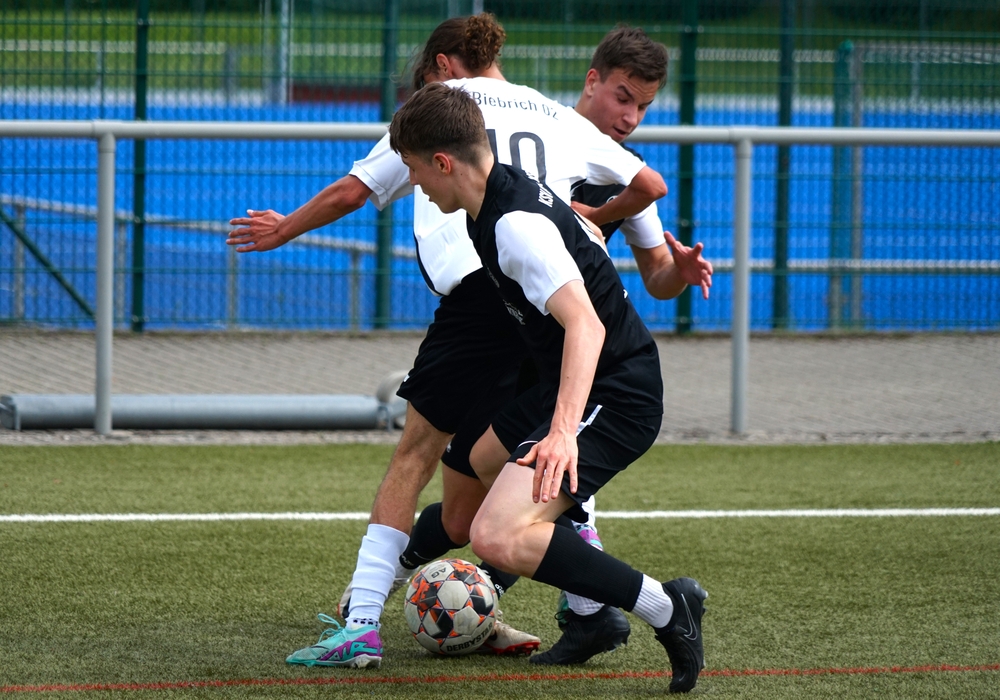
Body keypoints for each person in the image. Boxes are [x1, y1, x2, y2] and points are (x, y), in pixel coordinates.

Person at [228, 13, 667, 668]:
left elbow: (353, 190)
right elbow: (649, 183)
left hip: (486, 296)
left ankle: (361, 624)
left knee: (417, 454)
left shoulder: (439, 116)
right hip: (547, 303)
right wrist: (591, 219)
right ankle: (581, 608)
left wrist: (282, 229)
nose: (417, 178)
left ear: (440, 69)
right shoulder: (552, 112)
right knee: (499, 476)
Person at [390, 24, 713, 668]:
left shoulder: (514, 225)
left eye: (416, 171)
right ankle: (584, 610)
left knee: (495, 534)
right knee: (477, 462)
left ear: (444, 162)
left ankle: (666, 607)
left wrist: (562, 432)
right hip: (558, 376)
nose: (415, 186)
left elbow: (587, 327)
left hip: (613, 391)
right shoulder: (492, 200)